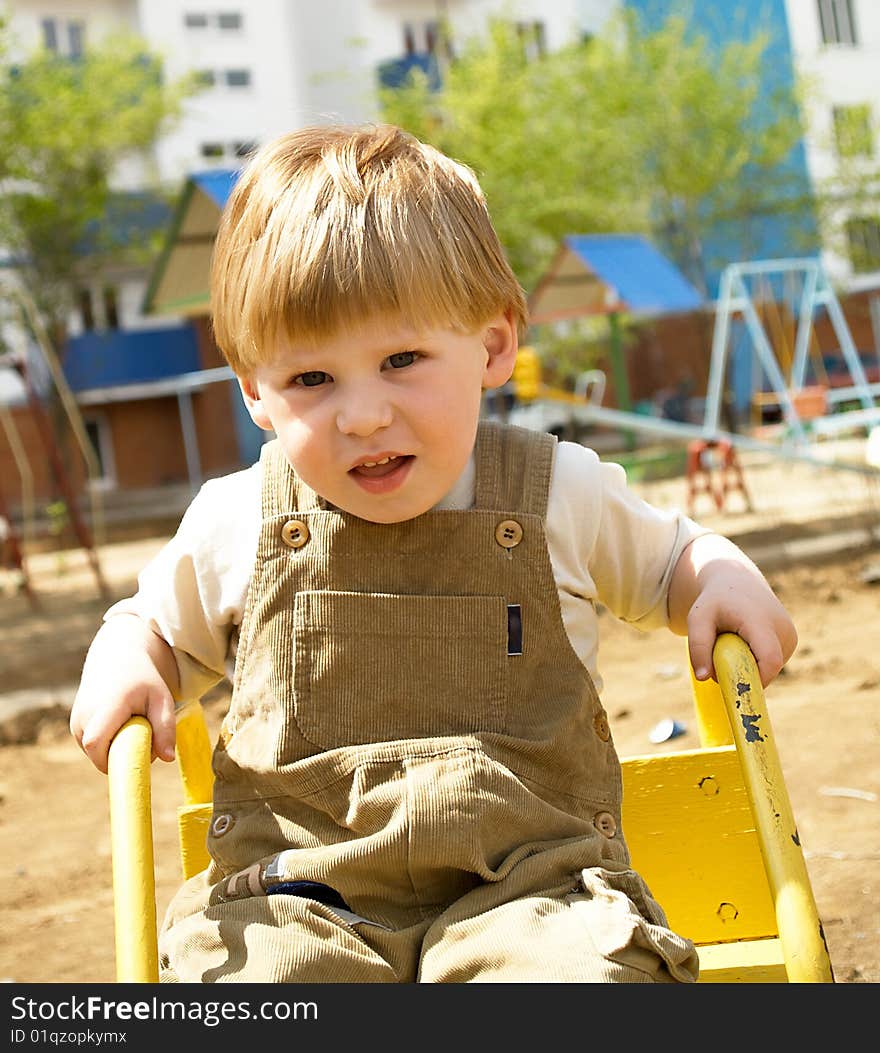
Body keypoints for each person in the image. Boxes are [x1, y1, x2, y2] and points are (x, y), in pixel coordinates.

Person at [70, 123, 796, 984]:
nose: (364, 414)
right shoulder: (237, 522)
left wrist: (716, 571)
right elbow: (152, 625)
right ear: (256, 393)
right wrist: (130, 651)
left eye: (401, 359)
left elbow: (673, 558)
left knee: (580, 975)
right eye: (313, 380)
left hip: (530, 895)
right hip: (295, 903)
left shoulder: (558, 491)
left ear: (492, 347)